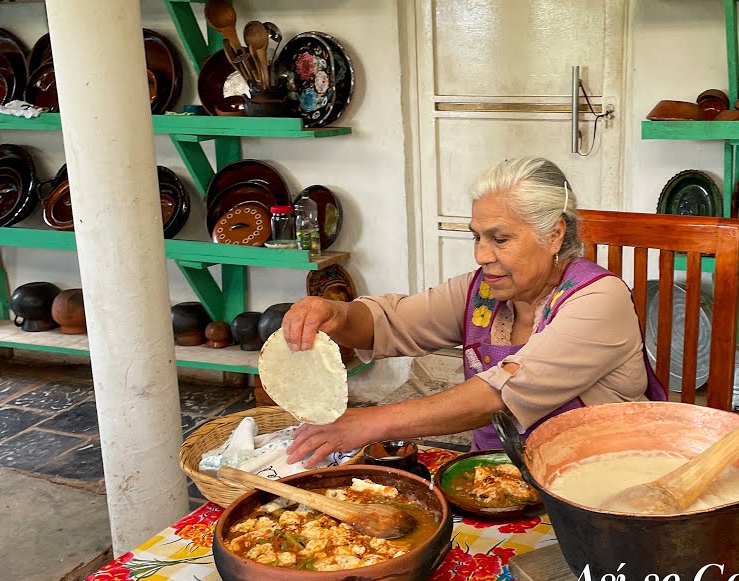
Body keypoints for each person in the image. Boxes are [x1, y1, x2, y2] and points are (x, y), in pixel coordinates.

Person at [283, 157, 666, 467]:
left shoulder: (600, 299)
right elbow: (393, 323)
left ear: (554, 235)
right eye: (477, 237)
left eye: (500, 239)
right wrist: (336, 314)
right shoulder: (483, 291)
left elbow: (500, 394)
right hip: (493, 476)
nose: (482, 256)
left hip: (592, 487)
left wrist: (366, 424)